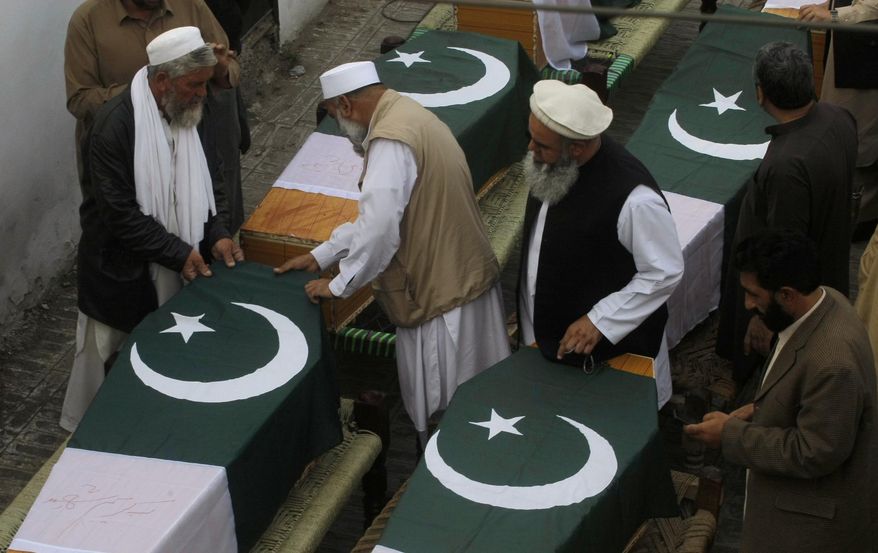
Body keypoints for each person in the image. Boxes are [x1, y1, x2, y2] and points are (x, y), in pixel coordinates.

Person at [274, 62, 511, 444]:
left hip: (440, 300)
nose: (340, 128)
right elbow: (391, 216)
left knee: (452, 422)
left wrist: (338, 285)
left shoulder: (389, 141)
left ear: (346, 105)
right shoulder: (410, 114)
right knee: (481, 408)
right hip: (463, 282)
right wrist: (323, 255)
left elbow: (380, 228)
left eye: (334, 115)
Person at [61, 27, 244, 432]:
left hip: (179, 257)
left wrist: (218, 232)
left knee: (170, 351)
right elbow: (119, 214)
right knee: (108, 355)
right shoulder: (112, 126)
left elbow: (212, 177)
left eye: (204, 84)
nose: (202, 93)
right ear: (163, 81)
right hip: (120, 268)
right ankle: (94, 431)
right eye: (194, 85)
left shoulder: (191, 107)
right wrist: (178, 252)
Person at [685, 230, 878, 553]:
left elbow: (814, 452)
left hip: (806, 530)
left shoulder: (833, 365)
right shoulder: (825, 300)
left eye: (754, 295)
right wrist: (759, 409)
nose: (748, 304)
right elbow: (803, 389)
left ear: (787, 295)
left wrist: (730, 435)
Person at [518, 80, 684, 408]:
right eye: (530, 137)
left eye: (542, 145)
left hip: (607, 359)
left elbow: (664, 271)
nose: (531, 150)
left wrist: (600, 320)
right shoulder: (553, 163)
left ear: (576, 149)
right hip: (542, 336)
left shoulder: (635, 200)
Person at [716, 42, 857, 386]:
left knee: (773, 373)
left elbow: (783, 256)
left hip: (788, 302)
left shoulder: (787, 167)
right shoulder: (840, 118)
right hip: (831, 268)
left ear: (761, 93)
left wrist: (764, 317)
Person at [64, 0, 249, 233]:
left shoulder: (190, 5)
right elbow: (80, 99)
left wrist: (219, 67)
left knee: (208, 225)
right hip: (127, 153)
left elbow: (230, 69)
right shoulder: (87, 20)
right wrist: (147, 92)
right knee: (137, 233)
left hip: (191, 143)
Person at [801, 0, 878, 225]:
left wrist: (834, 14)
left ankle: (852, 220)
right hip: (849, 41)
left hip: (866, 54)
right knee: (834, 130)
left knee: (857, 141)